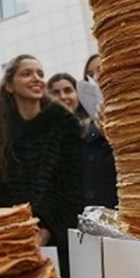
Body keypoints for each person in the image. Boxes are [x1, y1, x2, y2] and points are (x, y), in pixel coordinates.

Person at [0, 55, 83, 278]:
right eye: (26, 74)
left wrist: (46, 227)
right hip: (9, 239)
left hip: (55, 238)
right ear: (9, 85)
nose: (36, 79)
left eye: (40, 73)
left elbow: (70, 185)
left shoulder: (64, 124)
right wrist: (12, 230)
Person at [47, 73, 117, 208]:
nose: (63, 97)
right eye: (55, 93)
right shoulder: (44, 137)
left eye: (68, 90)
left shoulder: (96, 129)